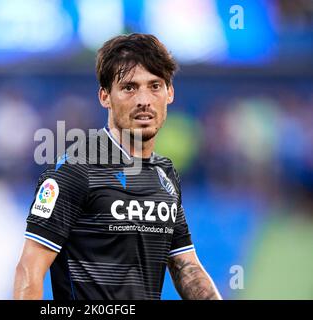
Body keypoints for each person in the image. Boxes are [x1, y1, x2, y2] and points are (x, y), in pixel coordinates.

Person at [14, 33, 222, 300]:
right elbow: (29, 269)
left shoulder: (165, 175)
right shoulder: (76, 170)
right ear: (105, 96)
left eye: (155, 86)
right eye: (129, 87)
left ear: (169, 93)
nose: (144, 100)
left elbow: (186, 267)